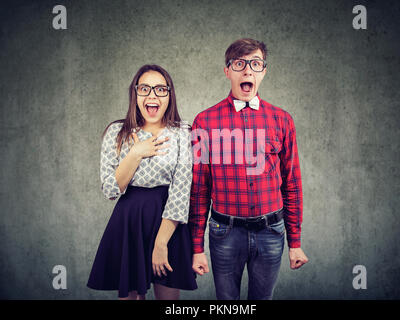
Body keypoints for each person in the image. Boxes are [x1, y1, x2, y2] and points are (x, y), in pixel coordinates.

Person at [189, 38, 308, 300]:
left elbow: (292, 184)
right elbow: (199, 189)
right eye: (240, 64)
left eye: (255, 64)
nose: (247, 71)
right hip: (224, 234)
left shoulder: (282, 119)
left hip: (271, 232)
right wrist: (197, 247)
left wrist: (295, 242)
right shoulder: (204, 121)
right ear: (227, 71)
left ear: (264, 71)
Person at [87, 64, 197, 300]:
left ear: (170, 95)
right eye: (145, 89)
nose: (152, 95)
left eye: (160, 89)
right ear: (135, 94)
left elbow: (181, 191)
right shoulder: (117, 132)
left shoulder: (182, 133)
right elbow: (110, 189)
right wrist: (136, 153)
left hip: (169, 224)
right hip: (129, 222)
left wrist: (161, 243)